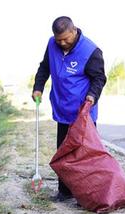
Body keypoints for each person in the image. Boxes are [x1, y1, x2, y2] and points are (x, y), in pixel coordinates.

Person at [32, 16, 107, 202]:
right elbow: (45, 67)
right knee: (63, 153)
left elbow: (99, 79)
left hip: (83, 113)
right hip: (63, 110)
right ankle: (65, 192)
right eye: (59, 40)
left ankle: (86, 195)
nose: (62, 43)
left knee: (83, 155)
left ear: (74, 31)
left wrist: (92, 96)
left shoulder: (91, 51)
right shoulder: (52, 44)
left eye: (66, 38)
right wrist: (38, 87)